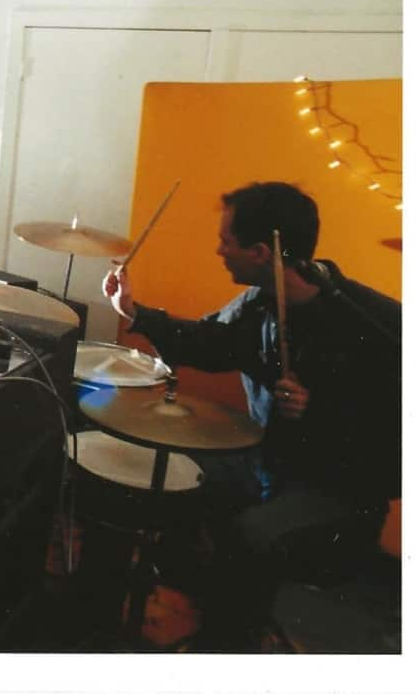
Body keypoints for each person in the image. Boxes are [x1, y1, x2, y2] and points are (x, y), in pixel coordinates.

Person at [102, 181, 400, 650]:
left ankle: (228, 646)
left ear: (262, 251)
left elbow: (394, 450)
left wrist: (319, 410)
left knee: (249, 537)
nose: (219, 249)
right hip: (267, 463)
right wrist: (135, 313)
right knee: (177, 477)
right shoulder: (260, 301)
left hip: (340, 495)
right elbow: (208, 342)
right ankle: (207, 602)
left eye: (226, 240)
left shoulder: (379, 325)